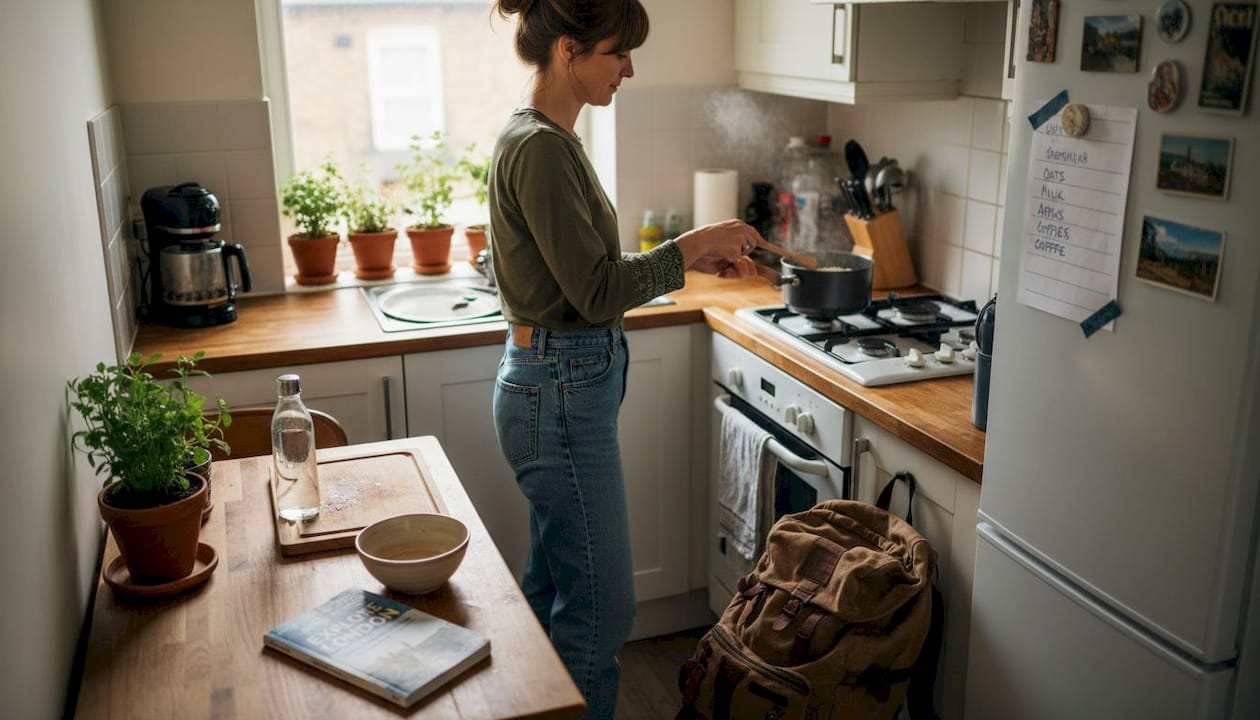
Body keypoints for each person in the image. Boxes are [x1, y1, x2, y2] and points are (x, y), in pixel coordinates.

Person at [486, 1, 762, 716]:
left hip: (558, 384)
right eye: (618, 53)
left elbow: (586, 276)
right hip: (559, 391)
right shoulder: (542, 147)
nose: (630, 69)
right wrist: (691, 246)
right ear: (570, 50)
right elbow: (599, 288)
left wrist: (694, 260)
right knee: (605, 608)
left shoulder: (549, 136)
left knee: (555, 591)